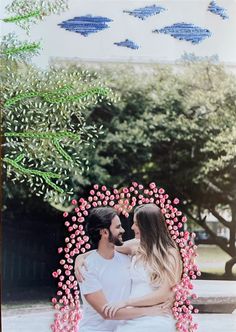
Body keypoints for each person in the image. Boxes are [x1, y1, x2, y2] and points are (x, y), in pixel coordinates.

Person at [75, 206, 169, 332]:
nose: (124, 230)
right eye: (118, 227)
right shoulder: (87, 268)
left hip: (125, 327)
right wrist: (148, 311)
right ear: (104, 232)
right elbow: (106, 312)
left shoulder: (126, 258)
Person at [103, 203, 182, 332]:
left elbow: (163, 294)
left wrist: (126, 302)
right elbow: (104, 250)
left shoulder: (169, 253)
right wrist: (80, 258)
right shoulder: (136, 246)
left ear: (148, 226)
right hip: (132, 315)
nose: (132, 227)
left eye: (136, 223)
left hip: (156, 314)